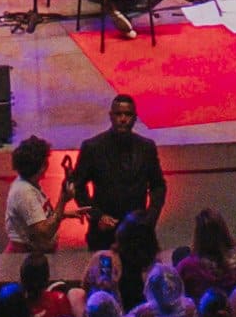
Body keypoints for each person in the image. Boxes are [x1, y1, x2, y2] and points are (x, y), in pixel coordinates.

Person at [69, 94, 166, 243]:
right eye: (118, 114)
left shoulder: (146, 148)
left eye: (127, 114)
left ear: (135, 117)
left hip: (137, 232)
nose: (123, 119)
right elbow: (77, 186)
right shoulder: (93, 147)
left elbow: (158, 185)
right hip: (104, 233)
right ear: (111, 116)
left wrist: (150, 218)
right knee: (105, 266)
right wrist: (97, 216)